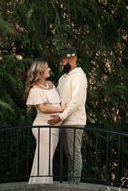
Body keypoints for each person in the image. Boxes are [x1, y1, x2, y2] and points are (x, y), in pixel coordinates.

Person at [48, 48, 88, 183]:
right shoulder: (63, 78)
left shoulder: (79, 76)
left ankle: (75, 183)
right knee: (67, 153)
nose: (60, 63)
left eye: (63, 61)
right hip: (64, 121)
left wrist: (61, 116)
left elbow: (76, 101)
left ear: (71, 60)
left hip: (75, 121)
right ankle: (71, 180)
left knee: (74, 153)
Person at [25, 59, 66, 183]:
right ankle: (41, 184)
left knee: (46, 156)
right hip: (43, 127)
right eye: (47, 68)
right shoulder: (35, 89)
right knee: (44, 156)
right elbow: (42, 108)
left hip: (54, 128)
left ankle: (40, 183)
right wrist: (61, 109)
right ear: (41, 71)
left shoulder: (51, 85)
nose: (49, 69)